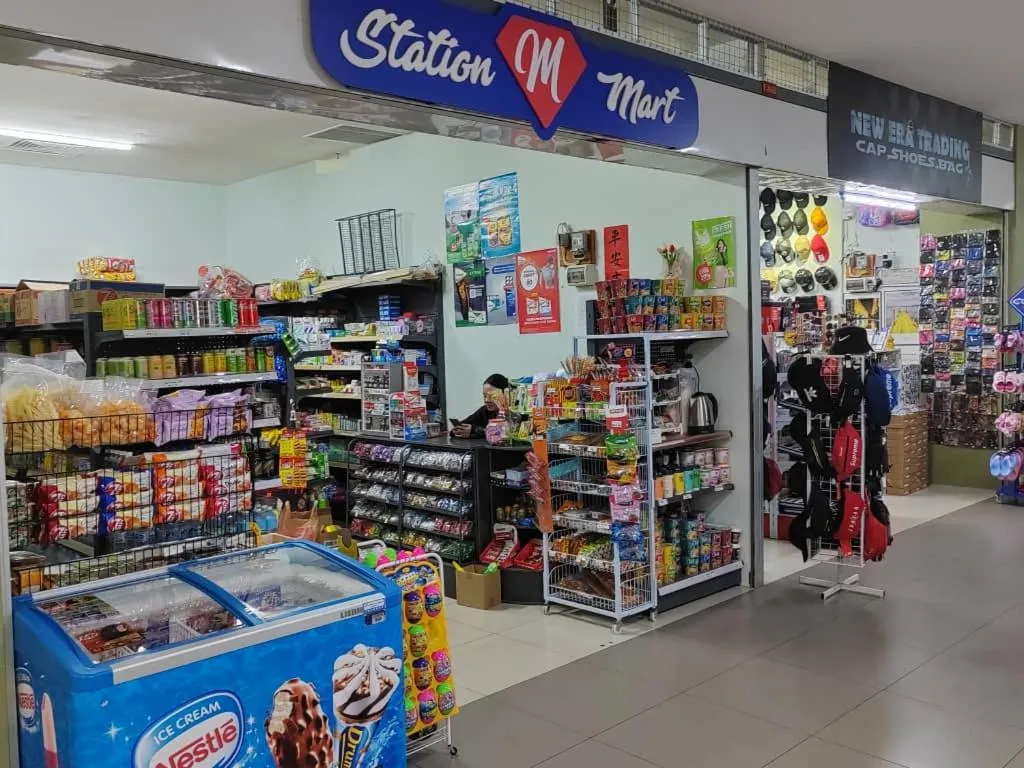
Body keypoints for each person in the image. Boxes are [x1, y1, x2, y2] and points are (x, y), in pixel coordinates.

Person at [451, 373, 509, 438]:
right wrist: (459, 430)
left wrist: (476, 431)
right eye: (485, 396)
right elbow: (457, 428)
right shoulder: (484, 410)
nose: (487, 400)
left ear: (505, 394)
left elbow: (508, 436)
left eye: (492, 396)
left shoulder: (515, 413)